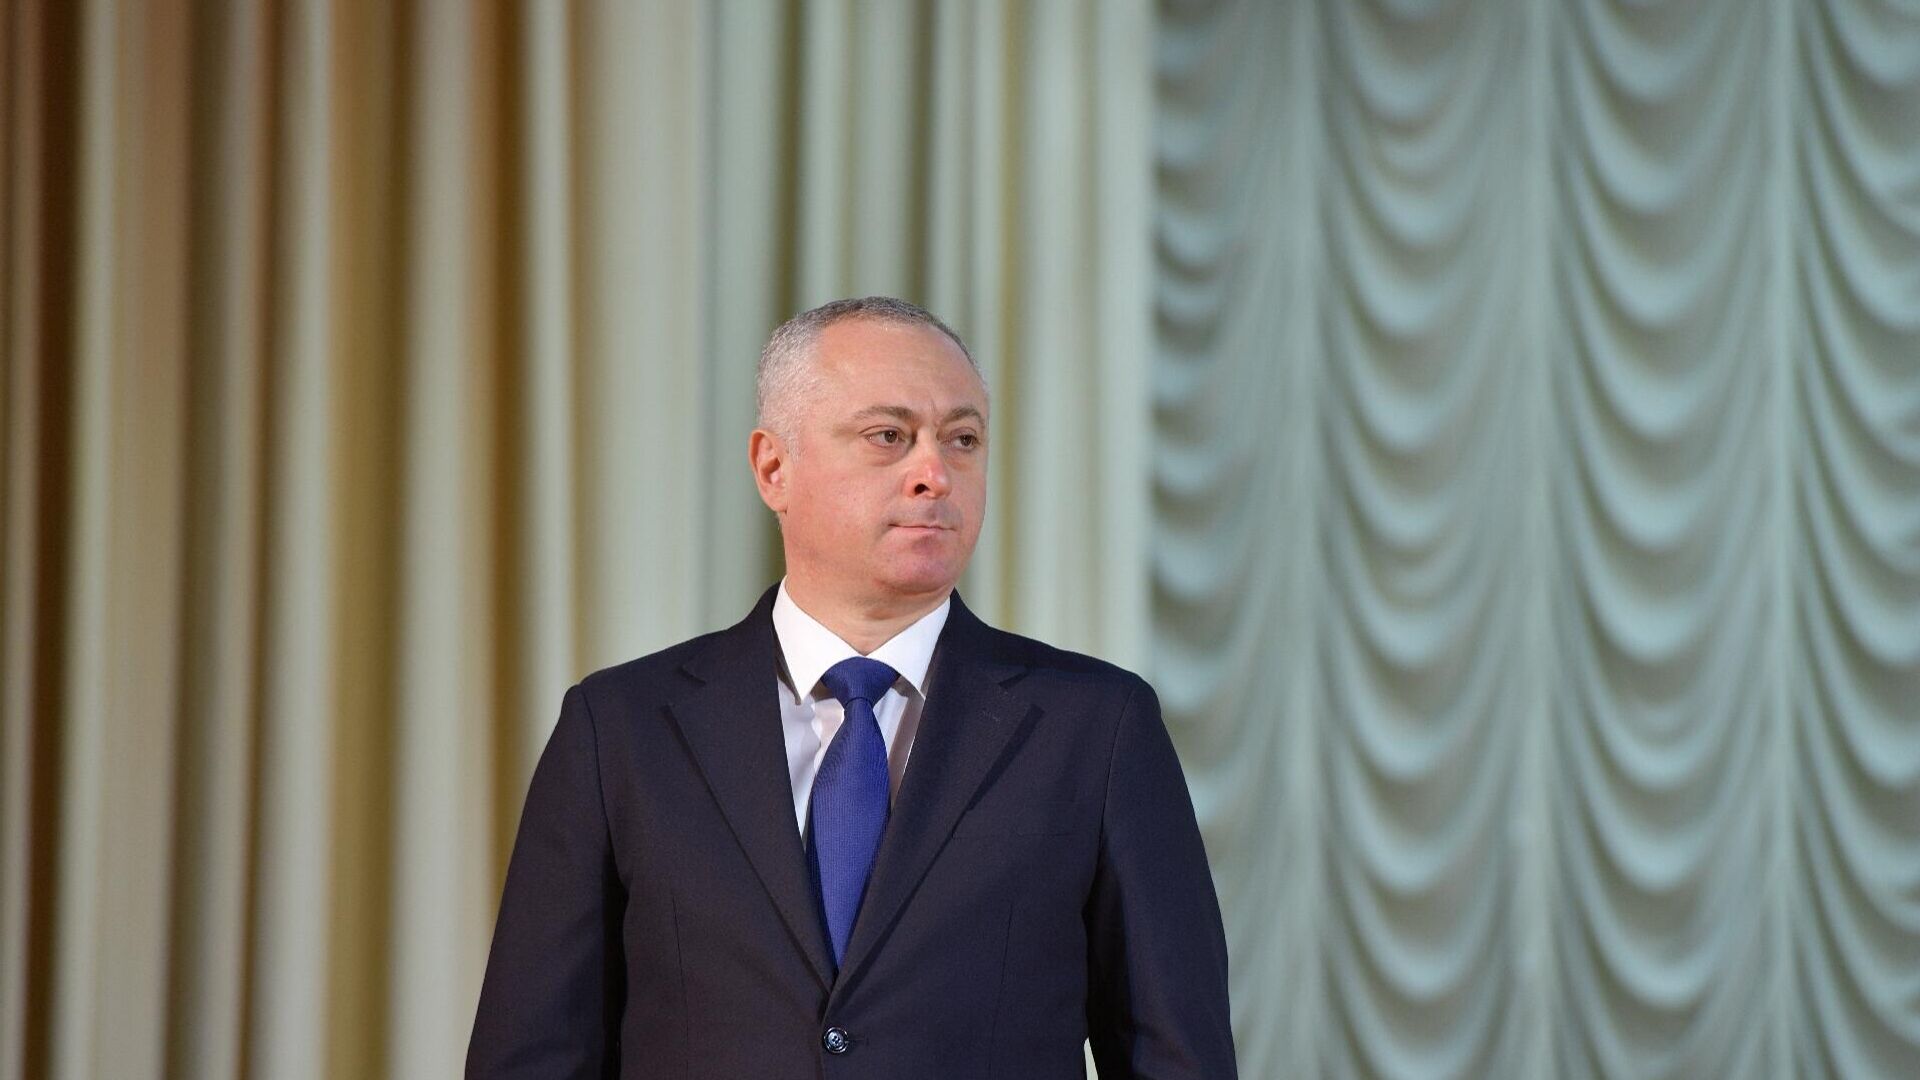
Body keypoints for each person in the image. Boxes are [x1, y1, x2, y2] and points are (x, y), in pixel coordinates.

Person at [467, 297, 1236, 1078]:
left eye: (963, 439)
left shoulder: (1098, 729)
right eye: (888, 437)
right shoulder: (621, 731)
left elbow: (1177, 1058)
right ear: (774, 468)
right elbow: (532, 1058)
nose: (935, 474)